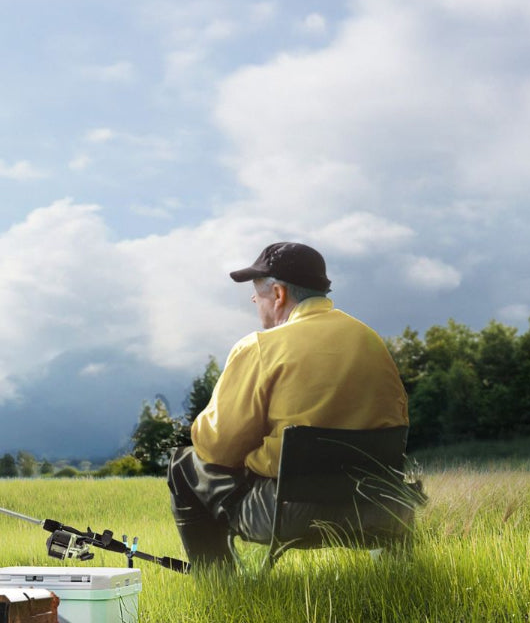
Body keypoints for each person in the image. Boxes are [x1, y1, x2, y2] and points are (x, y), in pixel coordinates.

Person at [169, 242, 409, 570]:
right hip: (381, 507)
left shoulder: (261, 347)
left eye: (257, 293)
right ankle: (398, 575)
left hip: (290, 514)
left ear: (278, 294)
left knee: (183, 465)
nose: (255, 301)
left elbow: (217, 448)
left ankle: (219, 589)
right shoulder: (370, 340)